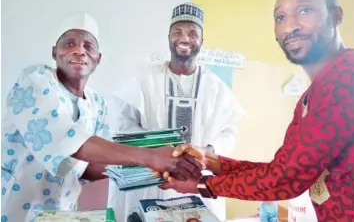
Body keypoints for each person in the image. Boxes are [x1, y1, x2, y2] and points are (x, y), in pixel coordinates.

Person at [159, 0, 354, 222]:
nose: (290, 26)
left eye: (304, 10)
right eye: (280, 17)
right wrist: (210, 161)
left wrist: (203, 185)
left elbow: (285, 179)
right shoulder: (308, 99)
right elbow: (279, 170)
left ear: (336, 16)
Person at [1, 12, 203, 222]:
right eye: (69, 44)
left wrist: (153, 171)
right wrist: (152, 156)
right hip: (15, 208)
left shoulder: (97, 104)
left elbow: (90, 167)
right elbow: (72, 142)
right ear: (54, 52)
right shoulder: (36, 80)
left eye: (88, 46)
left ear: (98, 59)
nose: (79, 50)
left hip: (60, 214)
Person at [108, 2, 244, 221]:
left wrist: (207, 150)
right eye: (177, 32)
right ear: (169, 37)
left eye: (193, 33)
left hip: (196, 181)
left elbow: (229, 131)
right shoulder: (144, 79)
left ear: (201, 41)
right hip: (150, 179)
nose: (185, 39)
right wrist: (158, 149)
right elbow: (123, 123)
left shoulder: (216, 87)